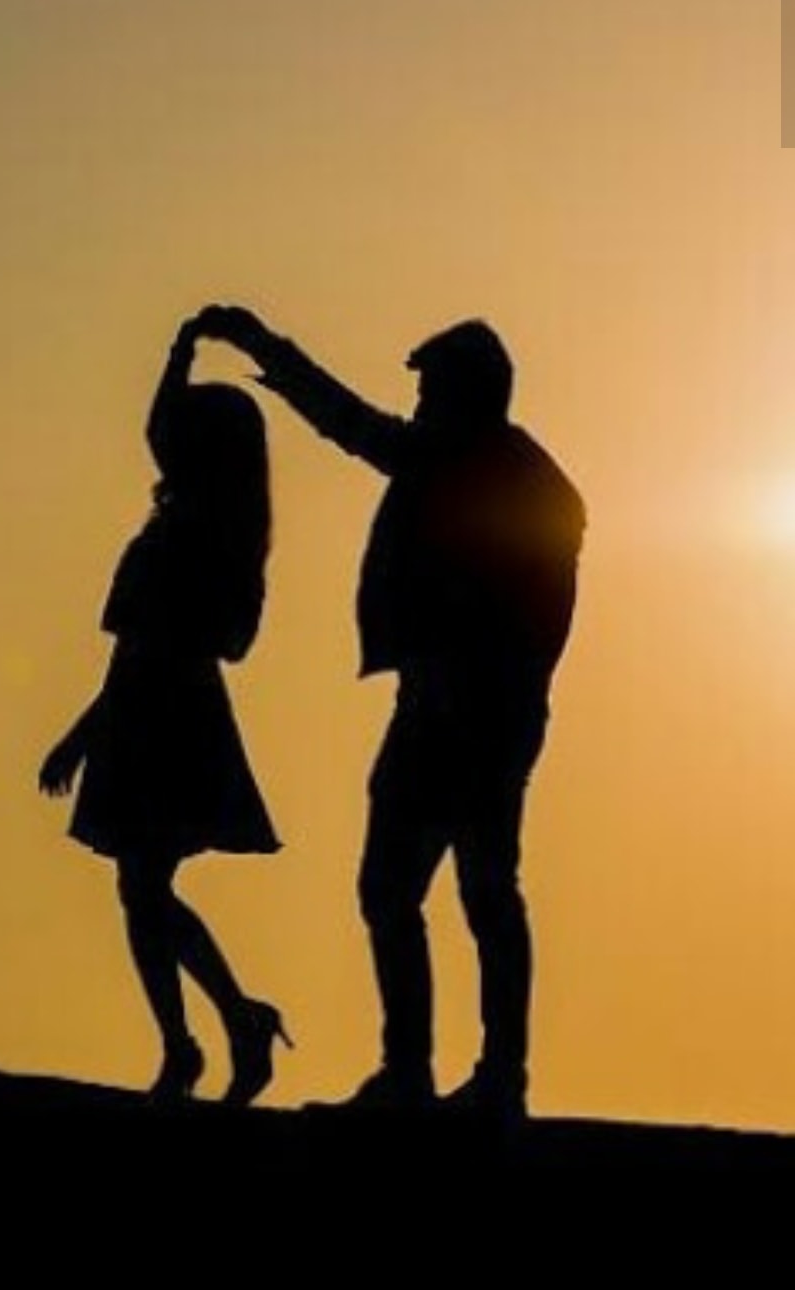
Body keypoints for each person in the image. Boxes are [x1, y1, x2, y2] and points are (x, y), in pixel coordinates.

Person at [193, 305, 585, 1122]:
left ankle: (480, 1079)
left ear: (464, 394)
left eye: (430, 391)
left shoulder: (508, 481)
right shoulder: (474, 466)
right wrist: (266, 347)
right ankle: (428, 1075)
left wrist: (263, 346)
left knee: (467, 889)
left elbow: (538, 624)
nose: (418, 405)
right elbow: (351, 423)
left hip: (473, 716)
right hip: (452, 708)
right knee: (411, 889)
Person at [38, 316, 291, 1107]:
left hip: (163, 719)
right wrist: (181, 352)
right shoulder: (205, 528)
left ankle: (210, 1033)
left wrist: (79, 737)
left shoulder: (196, 536)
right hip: (154, 713)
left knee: (143, 885)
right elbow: (159, 428)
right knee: (141, 887)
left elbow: (150, 652)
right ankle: (208, 1033)